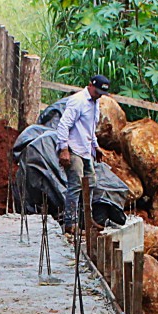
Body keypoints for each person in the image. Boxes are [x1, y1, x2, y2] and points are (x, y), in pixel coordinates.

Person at [56, 74, 110, 232]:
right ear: (90, 86)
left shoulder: (96, 102)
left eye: (101, 93)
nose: (98, 95)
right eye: (97, 91)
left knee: (90, 183)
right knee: (76, 185)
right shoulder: (78, 101)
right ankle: (70, 223)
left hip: (86, 150)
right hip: (73, 149)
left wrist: (96, 146)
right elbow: (63, 125)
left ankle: (86, 219)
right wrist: (63, 149)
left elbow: (89, 129)